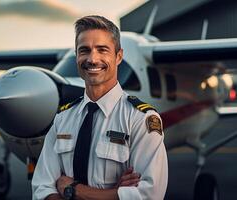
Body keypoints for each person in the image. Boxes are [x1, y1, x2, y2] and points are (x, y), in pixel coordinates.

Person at [32, 15, 168, 200]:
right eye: (84, 50)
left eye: (102, 50)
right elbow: (42, 188)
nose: (92, 59)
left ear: (118, 56)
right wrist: (114, 194)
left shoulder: (141, 118)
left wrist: (72, 190)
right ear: (77, 55)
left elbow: (148, 194)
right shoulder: (62, 118)